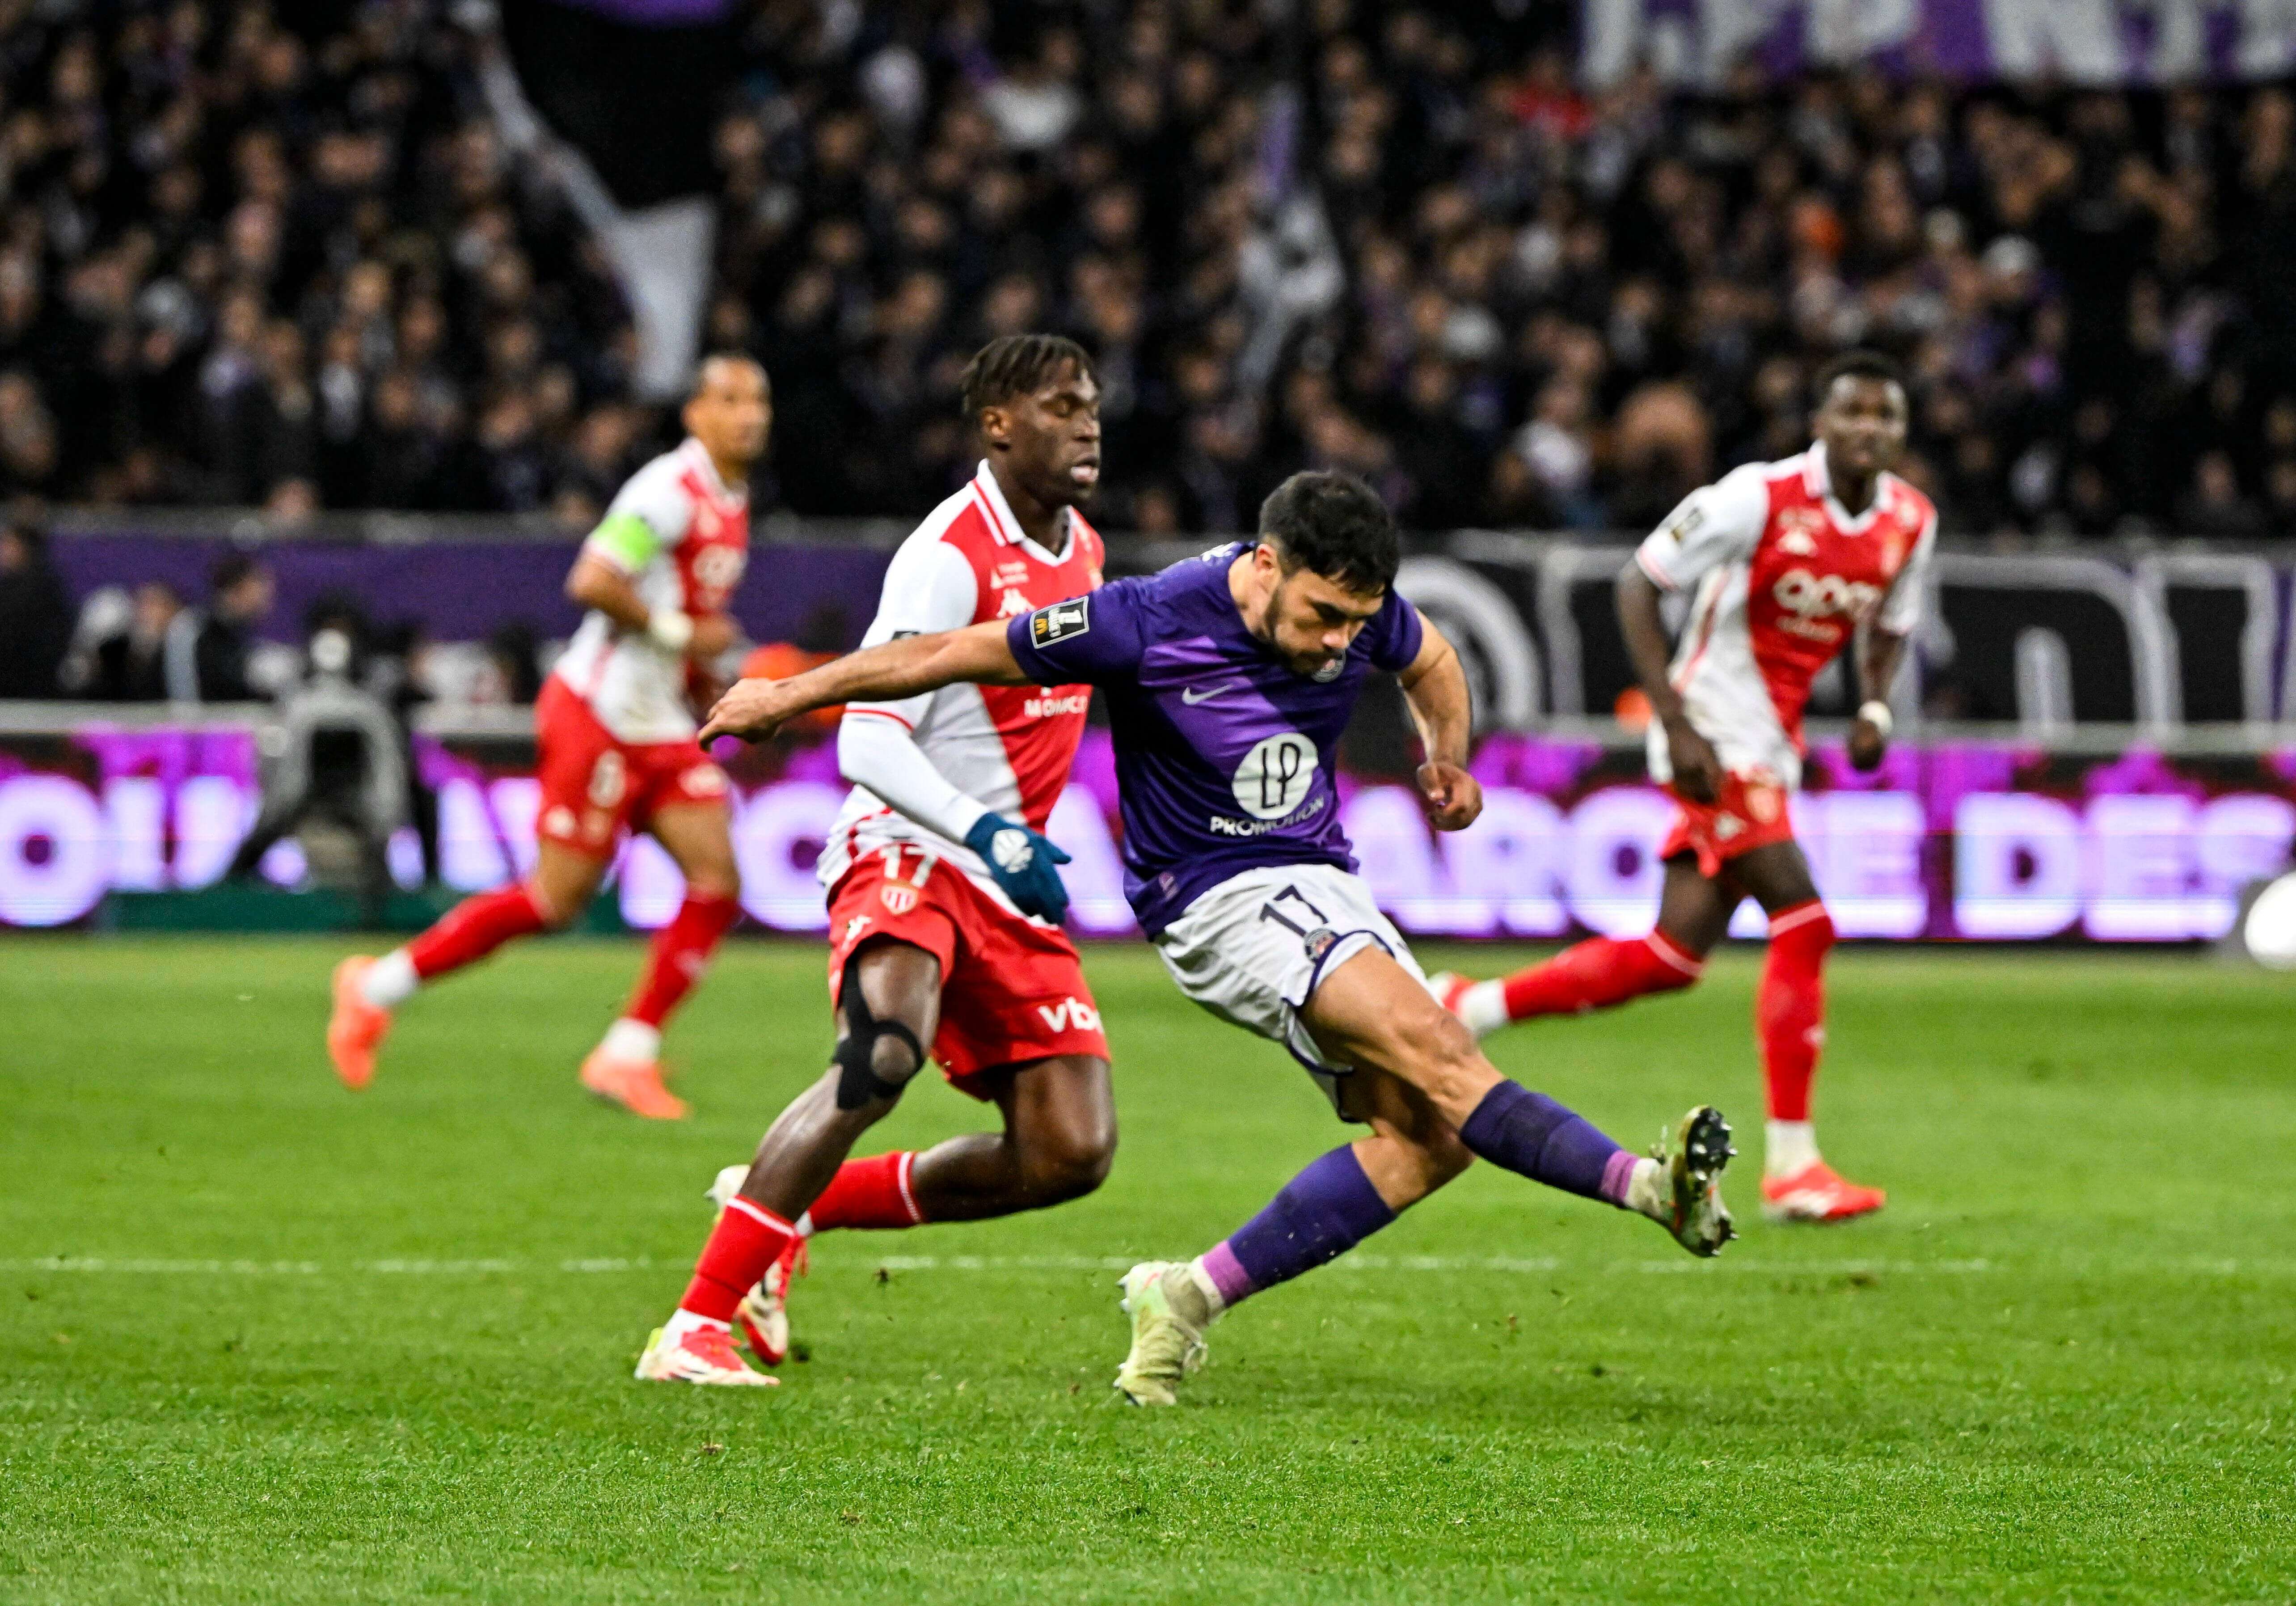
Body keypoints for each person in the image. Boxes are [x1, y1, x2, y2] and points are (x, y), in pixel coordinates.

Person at [693, 469, 1735, 1405]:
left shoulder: (1360, 612)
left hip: (1323, 884)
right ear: (1265, 566)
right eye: (1323, 618)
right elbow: (942, 651)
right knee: (1445, 1054)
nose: (1339, 645)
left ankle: (1184, 1298)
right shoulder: (1146, 619)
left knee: (1431, 1138)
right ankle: (1650, 1191)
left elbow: (1435, 659)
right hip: (1218, 897)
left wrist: (1447, 757)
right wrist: (788, 694)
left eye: (1353, 625)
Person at [635, 334, 1115, 1387]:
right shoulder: (949, 553)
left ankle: (779, 1213)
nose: (1087, 422)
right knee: (881, 1054)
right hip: (911, 844)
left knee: (1069, 1151)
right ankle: (694, 1328)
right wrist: (984, 829)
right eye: (1059, 405)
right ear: (997, 423)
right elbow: (865, 737)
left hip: (1007, 879)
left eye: (1091, 404)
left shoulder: (1082, 548)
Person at [1427, 351, 1935, 1225]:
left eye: (1883, 416)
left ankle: (1468, 1004)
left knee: (1672, 955)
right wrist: (1673, 718)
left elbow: (1887, 625)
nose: (1866, 429)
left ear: (1899, 432)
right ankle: (1792, 1164)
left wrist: (1875, 705)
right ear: (1820, 421)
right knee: (1806, 923)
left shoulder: (1907, 521)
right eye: (1850, 411)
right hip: (1709, 727)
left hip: (1769, 742)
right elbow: (1639, 580)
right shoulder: (1756, 496)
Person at [324, 355, 772, 1119]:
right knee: (556, 898)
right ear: (694, 413)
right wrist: (681, 634)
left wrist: (703, 686)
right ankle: (374, 987)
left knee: (717, 879)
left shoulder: (733, 497)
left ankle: (627, 1052)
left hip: (658, 723)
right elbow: (593, 579)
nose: (749, 414)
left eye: (758, 400)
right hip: (596, 713)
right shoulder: (669, 490)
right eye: (729, 400)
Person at [165, 554, 275, 702]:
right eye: (257, 586)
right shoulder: (194, 629)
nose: (264, 595)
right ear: (236, 590)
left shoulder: (241, 635)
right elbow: (186, 692)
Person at [0, 518, 71, 698]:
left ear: (24, 548)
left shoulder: (40, 588)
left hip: (28, 685)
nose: (3, 551)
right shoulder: (11, 585)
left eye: (9, 544)